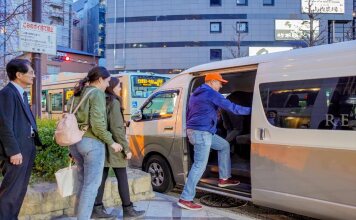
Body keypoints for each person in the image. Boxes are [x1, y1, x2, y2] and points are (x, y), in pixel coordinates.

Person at [177, 72, 251, 211]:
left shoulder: (196, 94)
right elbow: (232, 108)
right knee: (199, 166)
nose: (221, 86)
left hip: (198, 131)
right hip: (202, 133)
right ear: (211, 82)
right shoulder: (211, 93)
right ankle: (185, 198)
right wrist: (254, 110)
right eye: (219, 83)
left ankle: (224, 178)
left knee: (224, 145)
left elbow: (190, 113)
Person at [69, 66, 122, 219]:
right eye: (107, 81)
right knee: (91, 186)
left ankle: (80, 215)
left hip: (75, 142)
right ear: (99, 79)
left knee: (82, 183)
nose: (108, 85)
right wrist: (112, 142)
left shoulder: (77, 93)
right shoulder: (97, 93)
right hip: (91, 143)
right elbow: (98, 125)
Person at [92, 77, 145, 219]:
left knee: (101, 179)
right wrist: (126, 149)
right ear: (112, 87)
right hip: (115, 147)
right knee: (122, 177)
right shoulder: (114, 102)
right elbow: (116, 129)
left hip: (102, 145)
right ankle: (128, 210)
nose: (120, 89)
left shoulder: (102, 100)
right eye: (118, 86)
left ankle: (96, 209)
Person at [0, 59, 42, 219]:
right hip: (16, 151)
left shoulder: (20, 93)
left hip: (27, 146)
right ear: (19, 75)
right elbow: (4, 125)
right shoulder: (7, 94)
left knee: (19, 191)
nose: (34, 75)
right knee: (10, 193)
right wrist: (14, 151)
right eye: (31, 72)